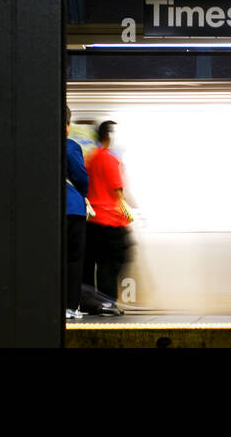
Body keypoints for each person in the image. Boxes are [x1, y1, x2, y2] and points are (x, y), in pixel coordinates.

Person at [81, 120, 128, 316]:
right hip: (110, 221)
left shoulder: (90, 159)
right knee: (110, 266)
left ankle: (91, 304)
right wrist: (129, 215)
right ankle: (108, 303)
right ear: (108, 136)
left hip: (91, 221)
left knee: (91, 265)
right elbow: (118, 193)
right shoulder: (110, 159)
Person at [64, 106, 89, 320]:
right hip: (72, 209)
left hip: (44, 212)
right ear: (67, 125)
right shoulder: (70, 146)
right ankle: (70, 306)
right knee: (73, 259)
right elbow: (81, 177)